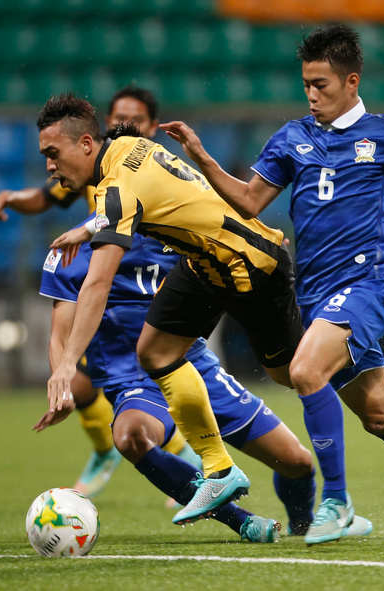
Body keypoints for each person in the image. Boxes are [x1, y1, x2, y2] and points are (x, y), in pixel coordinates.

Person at [161, 24, 384, 544]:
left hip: (365, 284)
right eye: (306, 84)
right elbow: (247, 201)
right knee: (379, 415)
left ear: (352, 82)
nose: (312, 95)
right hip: (315, 295)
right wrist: (202, 157)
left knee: (305, 369)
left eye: (322, 85)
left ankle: (336, 503)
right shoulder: (292, 138)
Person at [36, 94, 305, 526]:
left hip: (243, 268)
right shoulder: (131, 150)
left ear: (87, 144)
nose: (49, 166)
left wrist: (67, 366)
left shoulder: (117, 195)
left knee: (300, 380)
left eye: (53, 153)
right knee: (154, 358)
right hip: (217, 267)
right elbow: (146, 194)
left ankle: (378, 294)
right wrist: (86, 228)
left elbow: (99, 282)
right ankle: (224, 482)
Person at [39, 215, 373, 537]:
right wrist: (61, 384)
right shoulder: (72, 251)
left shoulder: (181, 232)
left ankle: (303, 526)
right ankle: (242, 522)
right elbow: (59, 336)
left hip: (195, 368)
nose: (51, 167)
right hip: (133, 381)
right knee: (131, 436)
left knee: (297, 463)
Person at [0, 86, 167, 497]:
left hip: (151, 282)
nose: (125, 125)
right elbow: (48, 197)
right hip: (104, 275)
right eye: (118, 117)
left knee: (157, 375)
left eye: (136, 119)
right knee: (85, 384)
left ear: (153, 127)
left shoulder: (150, 167)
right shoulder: (89, 167)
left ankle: (193, 460)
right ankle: (109, 450)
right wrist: (15, 198)